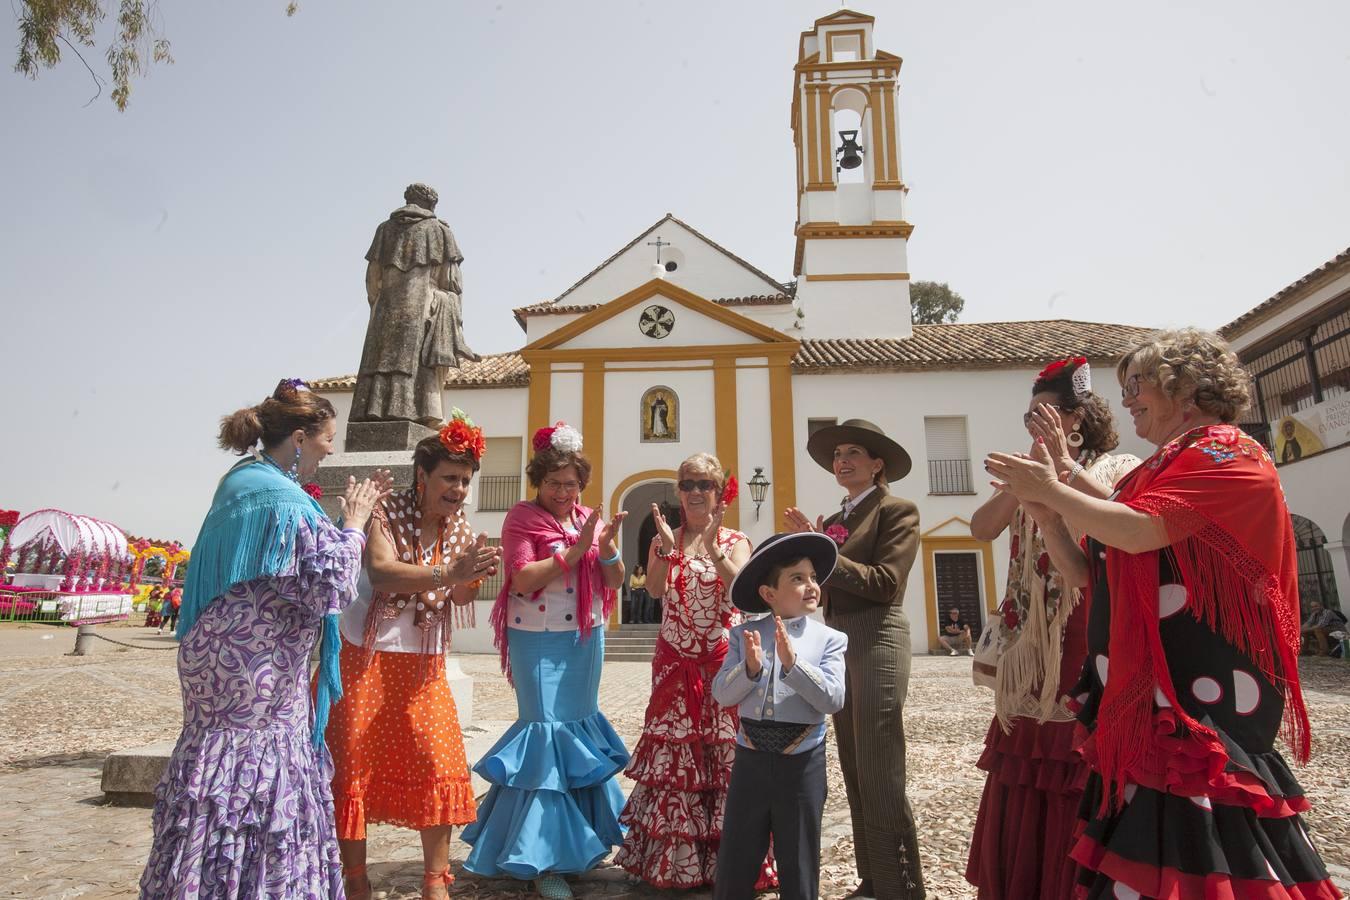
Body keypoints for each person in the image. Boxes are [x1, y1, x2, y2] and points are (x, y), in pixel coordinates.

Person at [986, 328, 1341, 899]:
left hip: (1198, 711)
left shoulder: (1228, 455)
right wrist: (1048, 511)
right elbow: (1089, 576)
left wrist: (1053, 488)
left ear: (1187, 388)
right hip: (1146, 707)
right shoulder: (1158, 468)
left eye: (1138, 384)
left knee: (1201, 860)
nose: (1125, 399)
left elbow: (1137, 530)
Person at [140, 378, 391, 898]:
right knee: (258, 773)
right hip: (256, 670)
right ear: (299, 437)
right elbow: (331, 585)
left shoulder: (242, 481)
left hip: (221, 658)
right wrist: (355, 524)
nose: (330, 449)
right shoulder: (282, 498)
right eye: (327, 437)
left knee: (218, 773)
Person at [965, 356, 1139, 900]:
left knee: (1072, 750)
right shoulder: (1023, 471)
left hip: (1083, 631)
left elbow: (1121, 518)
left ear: (1077, 420)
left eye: (1045, 416)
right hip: (1027, 644)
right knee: (1025, 748)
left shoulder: (1117, 468)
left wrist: (1060, 473)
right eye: (1029, 418)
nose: (1034, 426)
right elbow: (980, 528)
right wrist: (1024, 483)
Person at [328, 410, 503, 900]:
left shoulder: (462, 529)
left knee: (439, 760)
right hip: (363, 656)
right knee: (355, 762)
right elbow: (382, 573)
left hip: (424, 663)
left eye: (465, 481)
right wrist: (449, 575)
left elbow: (463, 596)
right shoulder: (384, 510)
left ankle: (435, 881)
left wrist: (471, 575)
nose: (459, 490)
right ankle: (355, 879)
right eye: (450, 478)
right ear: (421, 477)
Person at [462, 422, 628, 899]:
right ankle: (542, 859)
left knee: (575, 733)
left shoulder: (585, 519)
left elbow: (613, 582)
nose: (562, 491)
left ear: (582, 484)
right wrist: (575, 552)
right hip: (537, 638)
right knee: (543, 734)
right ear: (538, 480)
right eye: (554, 482)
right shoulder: (521, 517)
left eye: (571, 483)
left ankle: (576, 846)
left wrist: (608, 547)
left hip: (584, 637)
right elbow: (520, 579)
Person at [614, 454, 772, 890]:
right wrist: (664, 547)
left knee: (723, 756)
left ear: (719, 492)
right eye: (687, 484)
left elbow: (741, 589)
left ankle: (730, 861)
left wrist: (715, 548)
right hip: (674, 662)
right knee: (676, 759)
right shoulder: (666, 537)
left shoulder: (736, 538)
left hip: (721, 662)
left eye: (705, 484)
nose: (696, 491)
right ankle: (674, 861)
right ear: (679, 491)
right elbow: (656, 588)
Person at [786, 418, 925, 899]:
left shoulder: (897, 509)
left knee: (881, 769)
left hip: (879, 637)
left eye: (853, 454)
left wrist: (825, 551)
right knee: (854, 766)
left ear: (877, 464)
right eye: (837, 454)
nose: (841, 461)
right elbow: (825, 592)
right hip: (839, 640)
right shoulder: (835, 519)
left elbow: (885, 582)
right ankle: (873, 880)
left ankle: (902, 888)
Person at [712, 531, 847, 900]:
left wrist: (794, 664)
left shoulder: (830, 640)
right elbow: (722, 693)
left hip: (802, 764)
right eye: (797, 579)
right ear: (769, 594)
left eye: (814, 578)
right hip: (750, 760)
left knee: (799, 857)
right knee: (737, 855)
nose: (811, 586)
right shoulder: (744, 636)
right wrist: (750, 669)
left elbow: (833, 699)